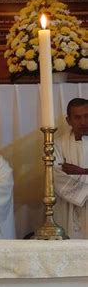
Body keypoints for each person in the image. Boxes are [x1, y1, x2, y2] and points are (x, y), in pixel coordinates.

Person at [54, 97, 88, 239]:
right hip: (67, 208)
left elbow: (72, 174)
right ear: (69, 121)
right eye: (77, 117)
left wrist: (80, 171)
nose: (83, 122)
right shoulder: (57, 145)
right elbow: (55, 176)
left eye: (87, 116)